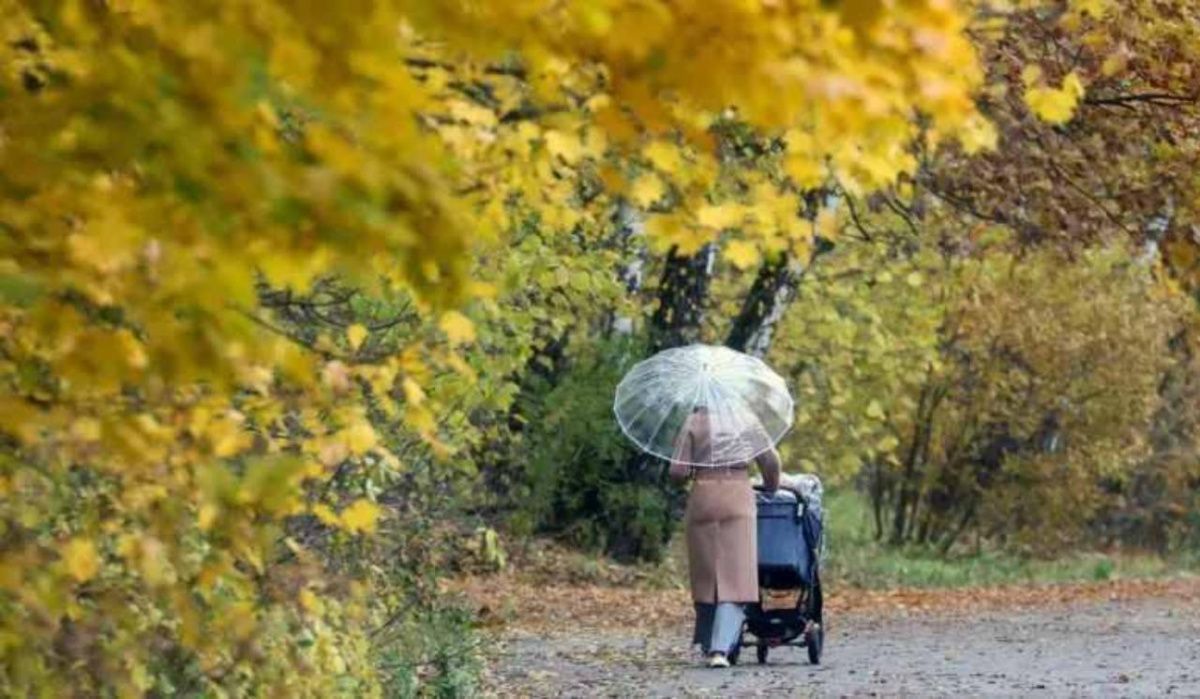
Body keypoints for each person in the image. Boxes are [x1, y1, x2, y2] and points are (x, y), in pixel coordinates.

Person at [669, 405, 780, 668]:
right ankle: (720, 649)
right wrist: (771, 485)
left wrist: (693, 473)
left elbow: (677, 471)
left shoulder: (693, 420)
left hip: (703, 496)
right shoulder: (746, 417)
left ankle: (708, 643)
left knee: (706, 573)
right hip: (737, 496)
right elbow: (770, 461)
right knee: (736, 576)